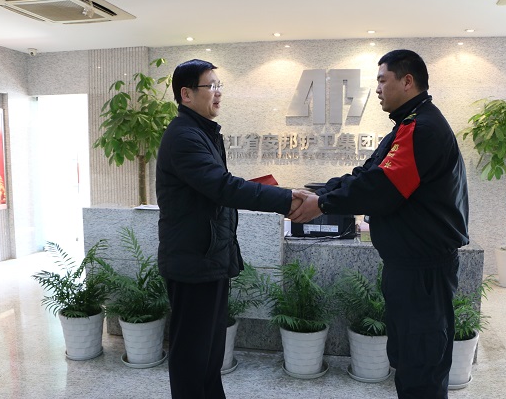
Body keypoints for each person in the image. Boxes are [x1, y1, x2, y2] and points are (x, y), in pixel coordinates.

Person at [290, 49, 469, 398]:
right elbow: (367, 174)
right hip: (409, 268)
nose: (377, 89)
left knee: (422, 368)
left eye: (382, 80)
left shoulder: (422, 128)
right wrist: (320, 191)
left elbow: (382, 188)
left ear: (408, 81)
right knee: (409, 360)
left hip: (423, 273)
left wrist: (322, 204)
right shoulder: (407, 125)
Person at [156, 59, 302, 398]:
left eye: (219, 85)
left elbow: (218, 189)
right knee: (192, 355)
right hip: (193, 263)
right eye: (211, 86)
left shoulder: (202, 132)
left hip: (209, 258)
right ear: (186, 94)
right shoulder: (184, 136)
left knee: (209, 354)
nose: (218, 92)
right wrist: (286, 198)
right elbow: (223, 187)